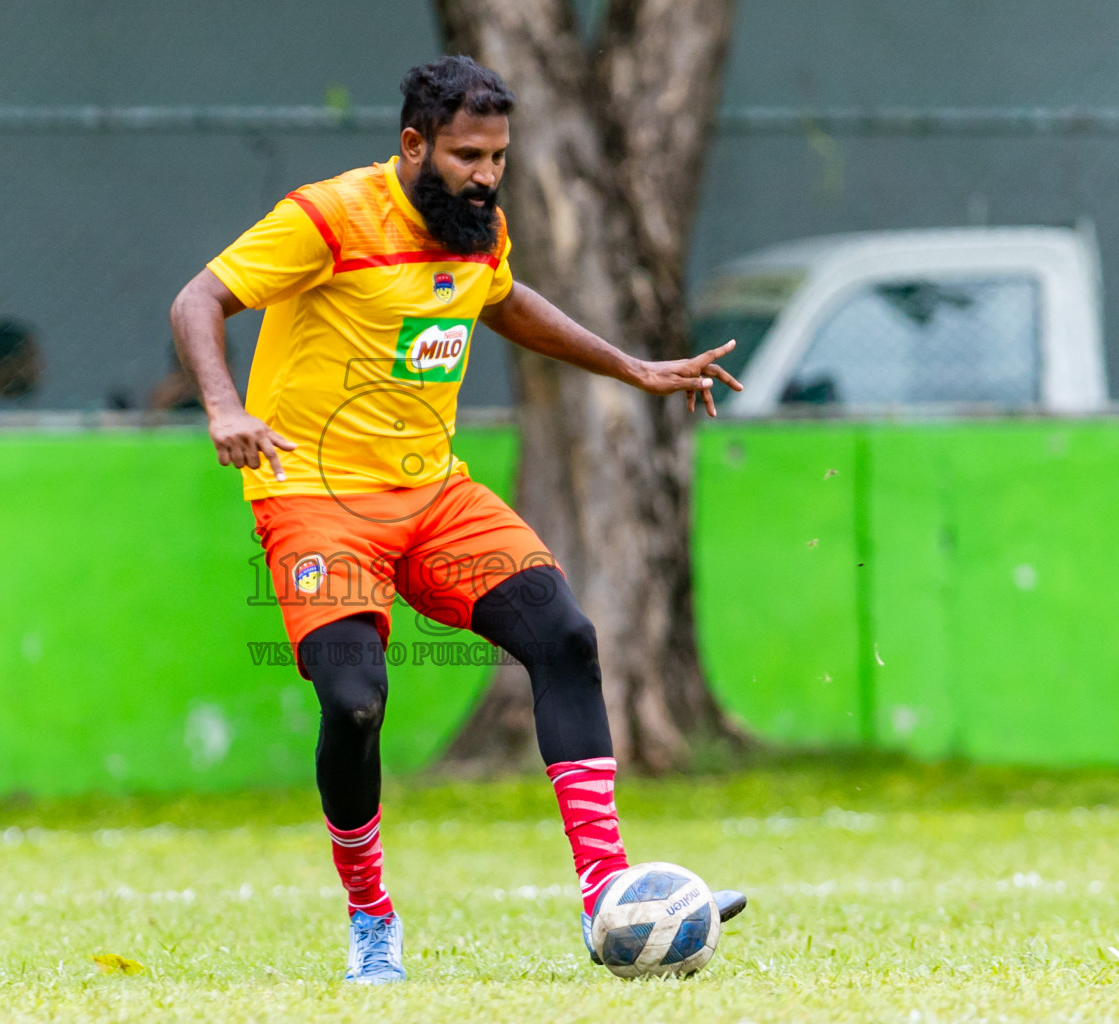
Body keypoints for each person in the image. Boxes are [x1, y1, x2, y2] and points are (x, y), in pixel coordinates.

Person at [169, 56, 746, 984]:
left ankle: (606, 892)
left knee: (564, 636)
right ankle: (371, 919)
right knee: (355, 705)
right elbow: (199, 297)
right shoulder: (328, 216)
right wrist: (222, 407)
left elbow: (502, 299)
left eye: (499, 157)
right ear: (413, 145)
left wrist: (634, 367)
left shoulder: (477, 227)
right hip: (316, 499)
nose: (486, 174)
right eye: (468, 155)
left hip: (435, 497)